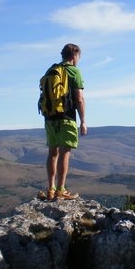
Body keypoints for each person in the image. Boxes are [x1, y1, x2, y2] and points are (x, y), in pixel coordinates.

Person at [38, 43, 87, 201]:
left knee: (52, 152)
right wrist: (83, 121)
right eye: (78, 57)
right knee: (65, 152)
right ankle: (61, 190)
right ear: (74, 56)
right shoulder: (74, 71)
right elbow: (79, 98)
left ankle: (50, 189)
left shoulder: (51, 70)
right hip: (66, 117)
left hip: (50, 117)